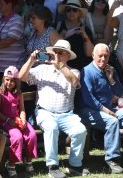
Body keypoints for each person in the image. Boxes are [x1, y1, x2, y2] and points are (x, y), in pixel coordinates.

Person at [19, 40, 89, 178]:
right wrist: (31, 60)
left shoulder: (74, 71)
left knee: (81, 130)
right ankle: (53, 167)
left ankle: (74, 165)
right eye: (55, 52)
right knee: (51, 127)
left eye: (60, 53)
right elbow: (21, 77)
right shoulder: (42, 69)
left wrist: (60, 66)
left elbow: (75, 82)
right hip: (45, 112)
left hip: (67, 115)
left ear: (68, 56)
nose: (56, 55)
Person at [77, 44, 123, 174]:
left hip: (109, 109)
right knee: (112, 122)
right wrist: (107, 111)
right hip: (88, 110)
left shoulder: (110, 70)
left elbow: (119, 93)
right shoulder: (86, 71)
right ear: (93, 55)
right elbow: (89, 98)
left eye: (106, 56)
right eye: (100, 56)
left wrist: (111, 79)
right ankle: (112, 160)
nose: (103, 59)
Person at [0, 66, 37, 178]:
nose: (9, 82)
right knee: (17, 137)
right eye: (7, 80)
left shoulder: (19, 93)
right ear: (4, 79)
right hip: (6, 122)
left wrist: (23, 120)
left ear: (16, 81)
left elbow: (22, 109)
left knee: (31, 135)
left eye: (12, 80)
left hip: (17, 120)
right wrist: (8, 120)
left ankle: (28, 160)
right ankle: (11, 164)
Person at [57, 0, 93, 70]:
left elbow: (89, 53)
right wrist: (63, 36)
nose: (71, 12)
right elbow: (52, 48)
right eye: (68, 10)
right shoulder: (57, 26)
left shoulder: (85, 29)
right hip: (61, 67)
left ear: (79, 13)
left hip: (80, 67)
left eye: (74, 10)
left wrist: (85, 36)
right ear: (65, 12)